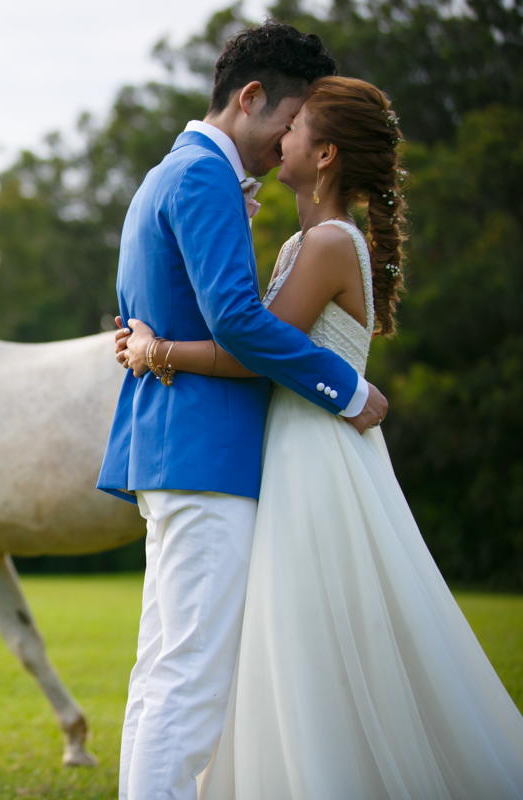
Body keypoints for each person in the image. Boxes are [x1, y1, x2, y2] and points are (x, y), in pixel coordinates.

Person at [117, 76, 523, 798]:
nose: (284, 137)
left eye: (298, 126)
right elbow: (251, 333)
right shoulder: (301, 241)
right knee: (231, 658)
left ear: (325, 152)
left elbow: (248, 348)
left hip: (312, 457)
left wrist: (159, 351)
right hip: (280, 451)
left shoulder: (329, 242)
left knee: (278, 648)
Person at [96, 20, 388, 800]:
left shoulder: (170, 173)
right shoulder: (204, 178)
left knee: (165, 670)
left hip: (176, 452)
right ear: (251, 97)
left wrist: (158, 346)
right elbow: (236, 321)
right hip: (207, 456)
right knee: (190, 680)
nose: (287, 140)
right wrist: (346, 388)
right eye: (288, 120)